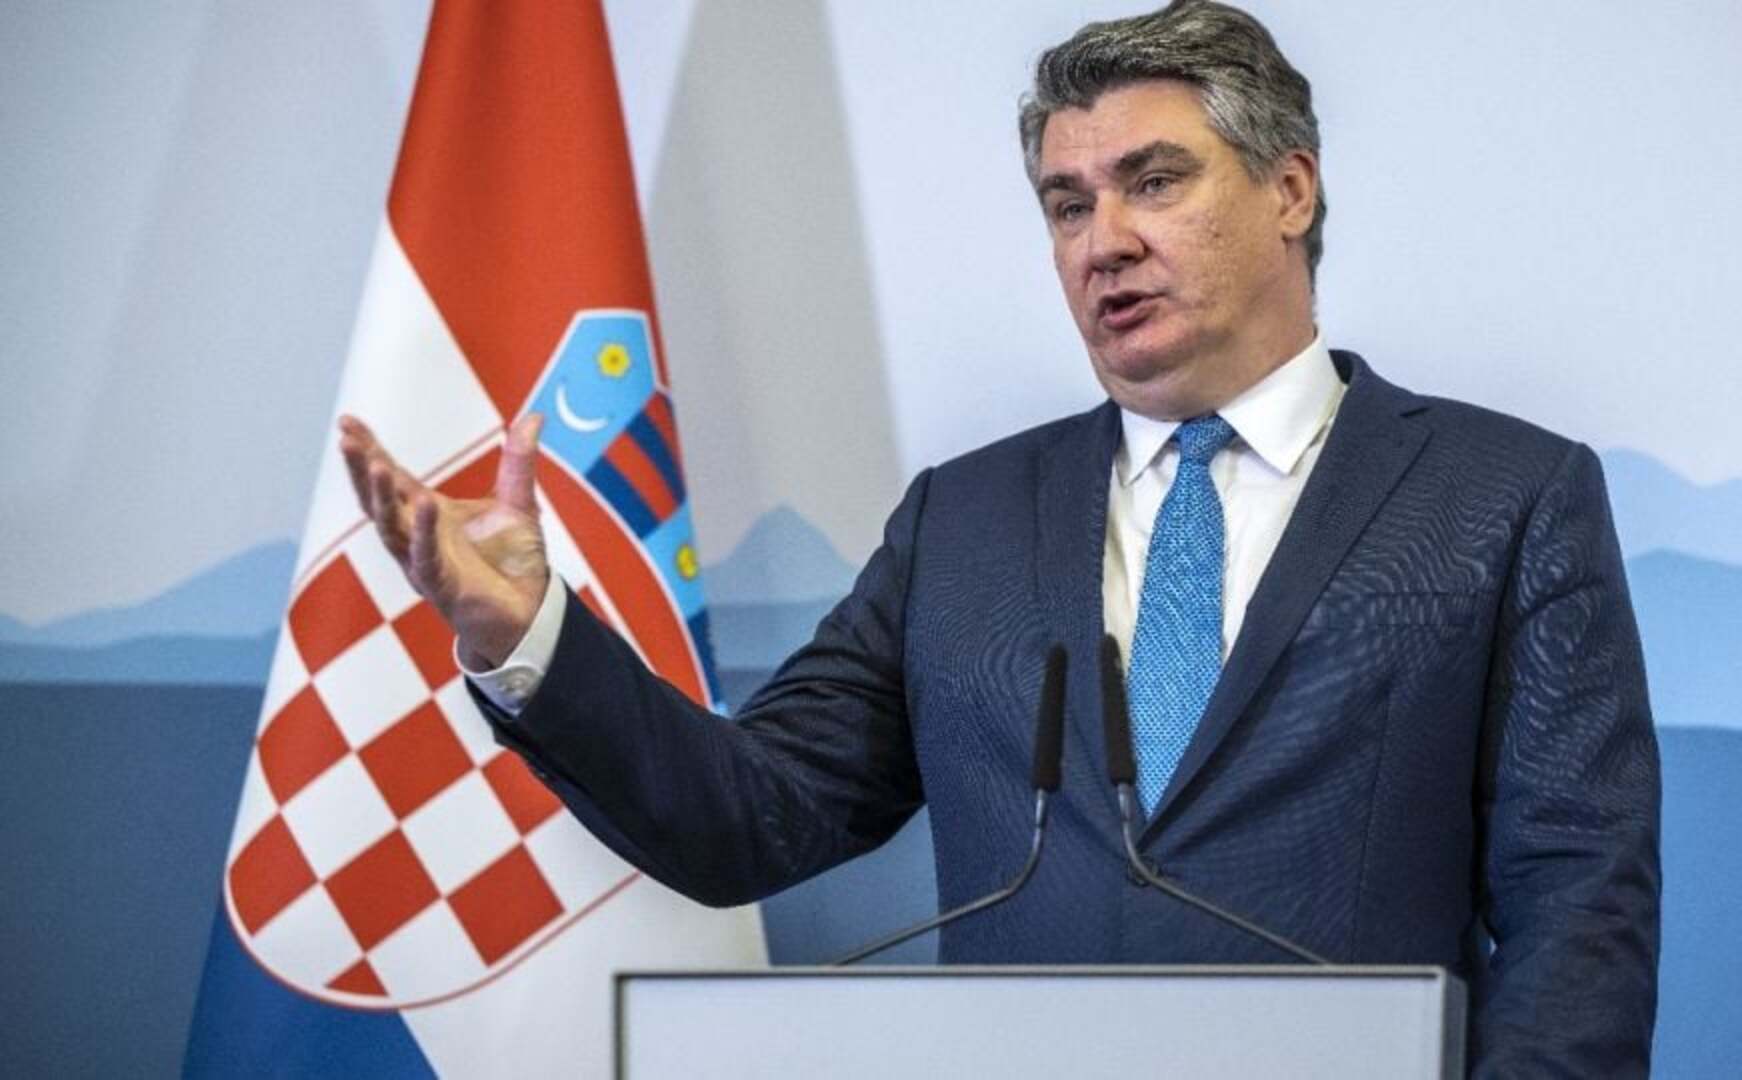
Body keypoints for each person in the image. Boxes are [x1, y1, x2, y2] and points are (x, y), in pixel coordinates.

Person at [340, 2, 1660, 1073]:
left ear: (1290, 189)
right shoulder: (962, 520)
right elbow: (751, 819)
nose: (1104, 242)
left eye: (1154, 182)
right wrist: (529, 637)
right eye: (1066, 204)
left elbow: (1578, 904)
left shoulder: (1504, 495)